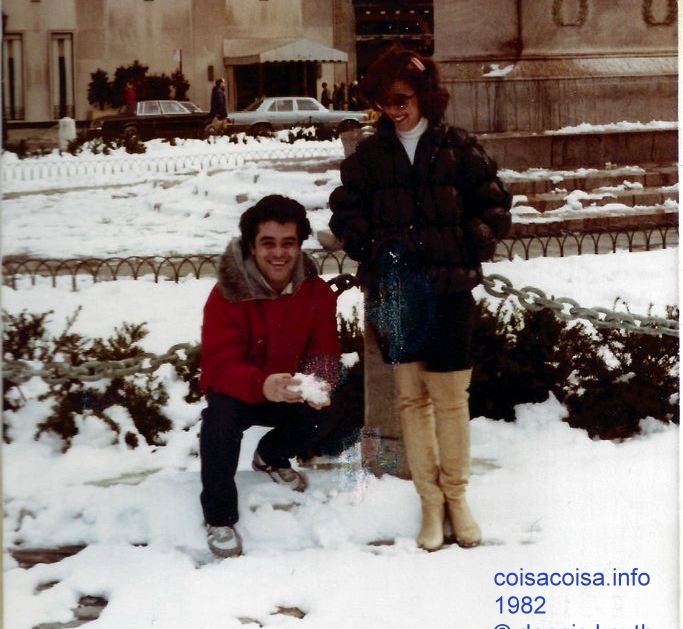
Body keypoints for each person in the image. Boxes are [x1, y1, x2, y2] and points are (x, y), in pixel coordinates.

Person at [328, 46, 511, 552]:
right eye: (385, 102)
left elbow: (494, 207)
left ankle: (458, 499)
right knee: (411, 398)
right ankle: (430, 504)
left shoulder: (459, 148)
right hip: (397, 294)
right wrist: (373, 249)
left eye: (403, 98)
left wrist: (464, 246)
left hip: (449, 291)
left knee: (451, 402)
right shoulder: (369, 157)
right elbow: (345, 213)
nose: (395, 109)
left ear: (425, 96)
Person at [199, 194, 342, 558]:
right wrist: (262, 385)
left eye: (288, 243)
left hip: (289, 390)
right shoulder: (225, 296)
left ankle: (271, 455)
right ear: (251, 246)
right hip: (241, 392)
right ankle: (219, 517)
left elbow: (325, 351)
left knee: (335, 405)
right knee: (219, 421)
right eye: (268, 243)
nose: (279, 253)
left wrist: (318, 382)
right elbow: (218, 365)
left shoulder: (317, 294)